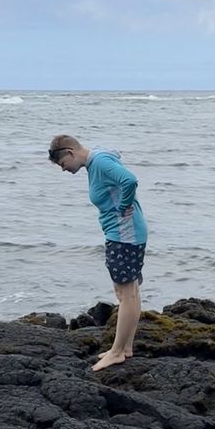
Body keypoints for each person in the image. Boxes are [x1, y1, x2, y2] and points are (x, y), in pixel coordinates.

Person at [49, 135, 147, 371]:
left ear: (70, 153)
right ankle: (125, 348)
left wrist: (124, 206)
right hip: (124, 234)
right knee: (127, 291)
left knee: (126, 294)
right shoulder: (97, 161)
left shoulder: (100, 162)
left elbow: (130, 180)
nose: (65, 170)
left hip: (125, 235)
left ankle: (116, 352)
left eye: (63, 165)